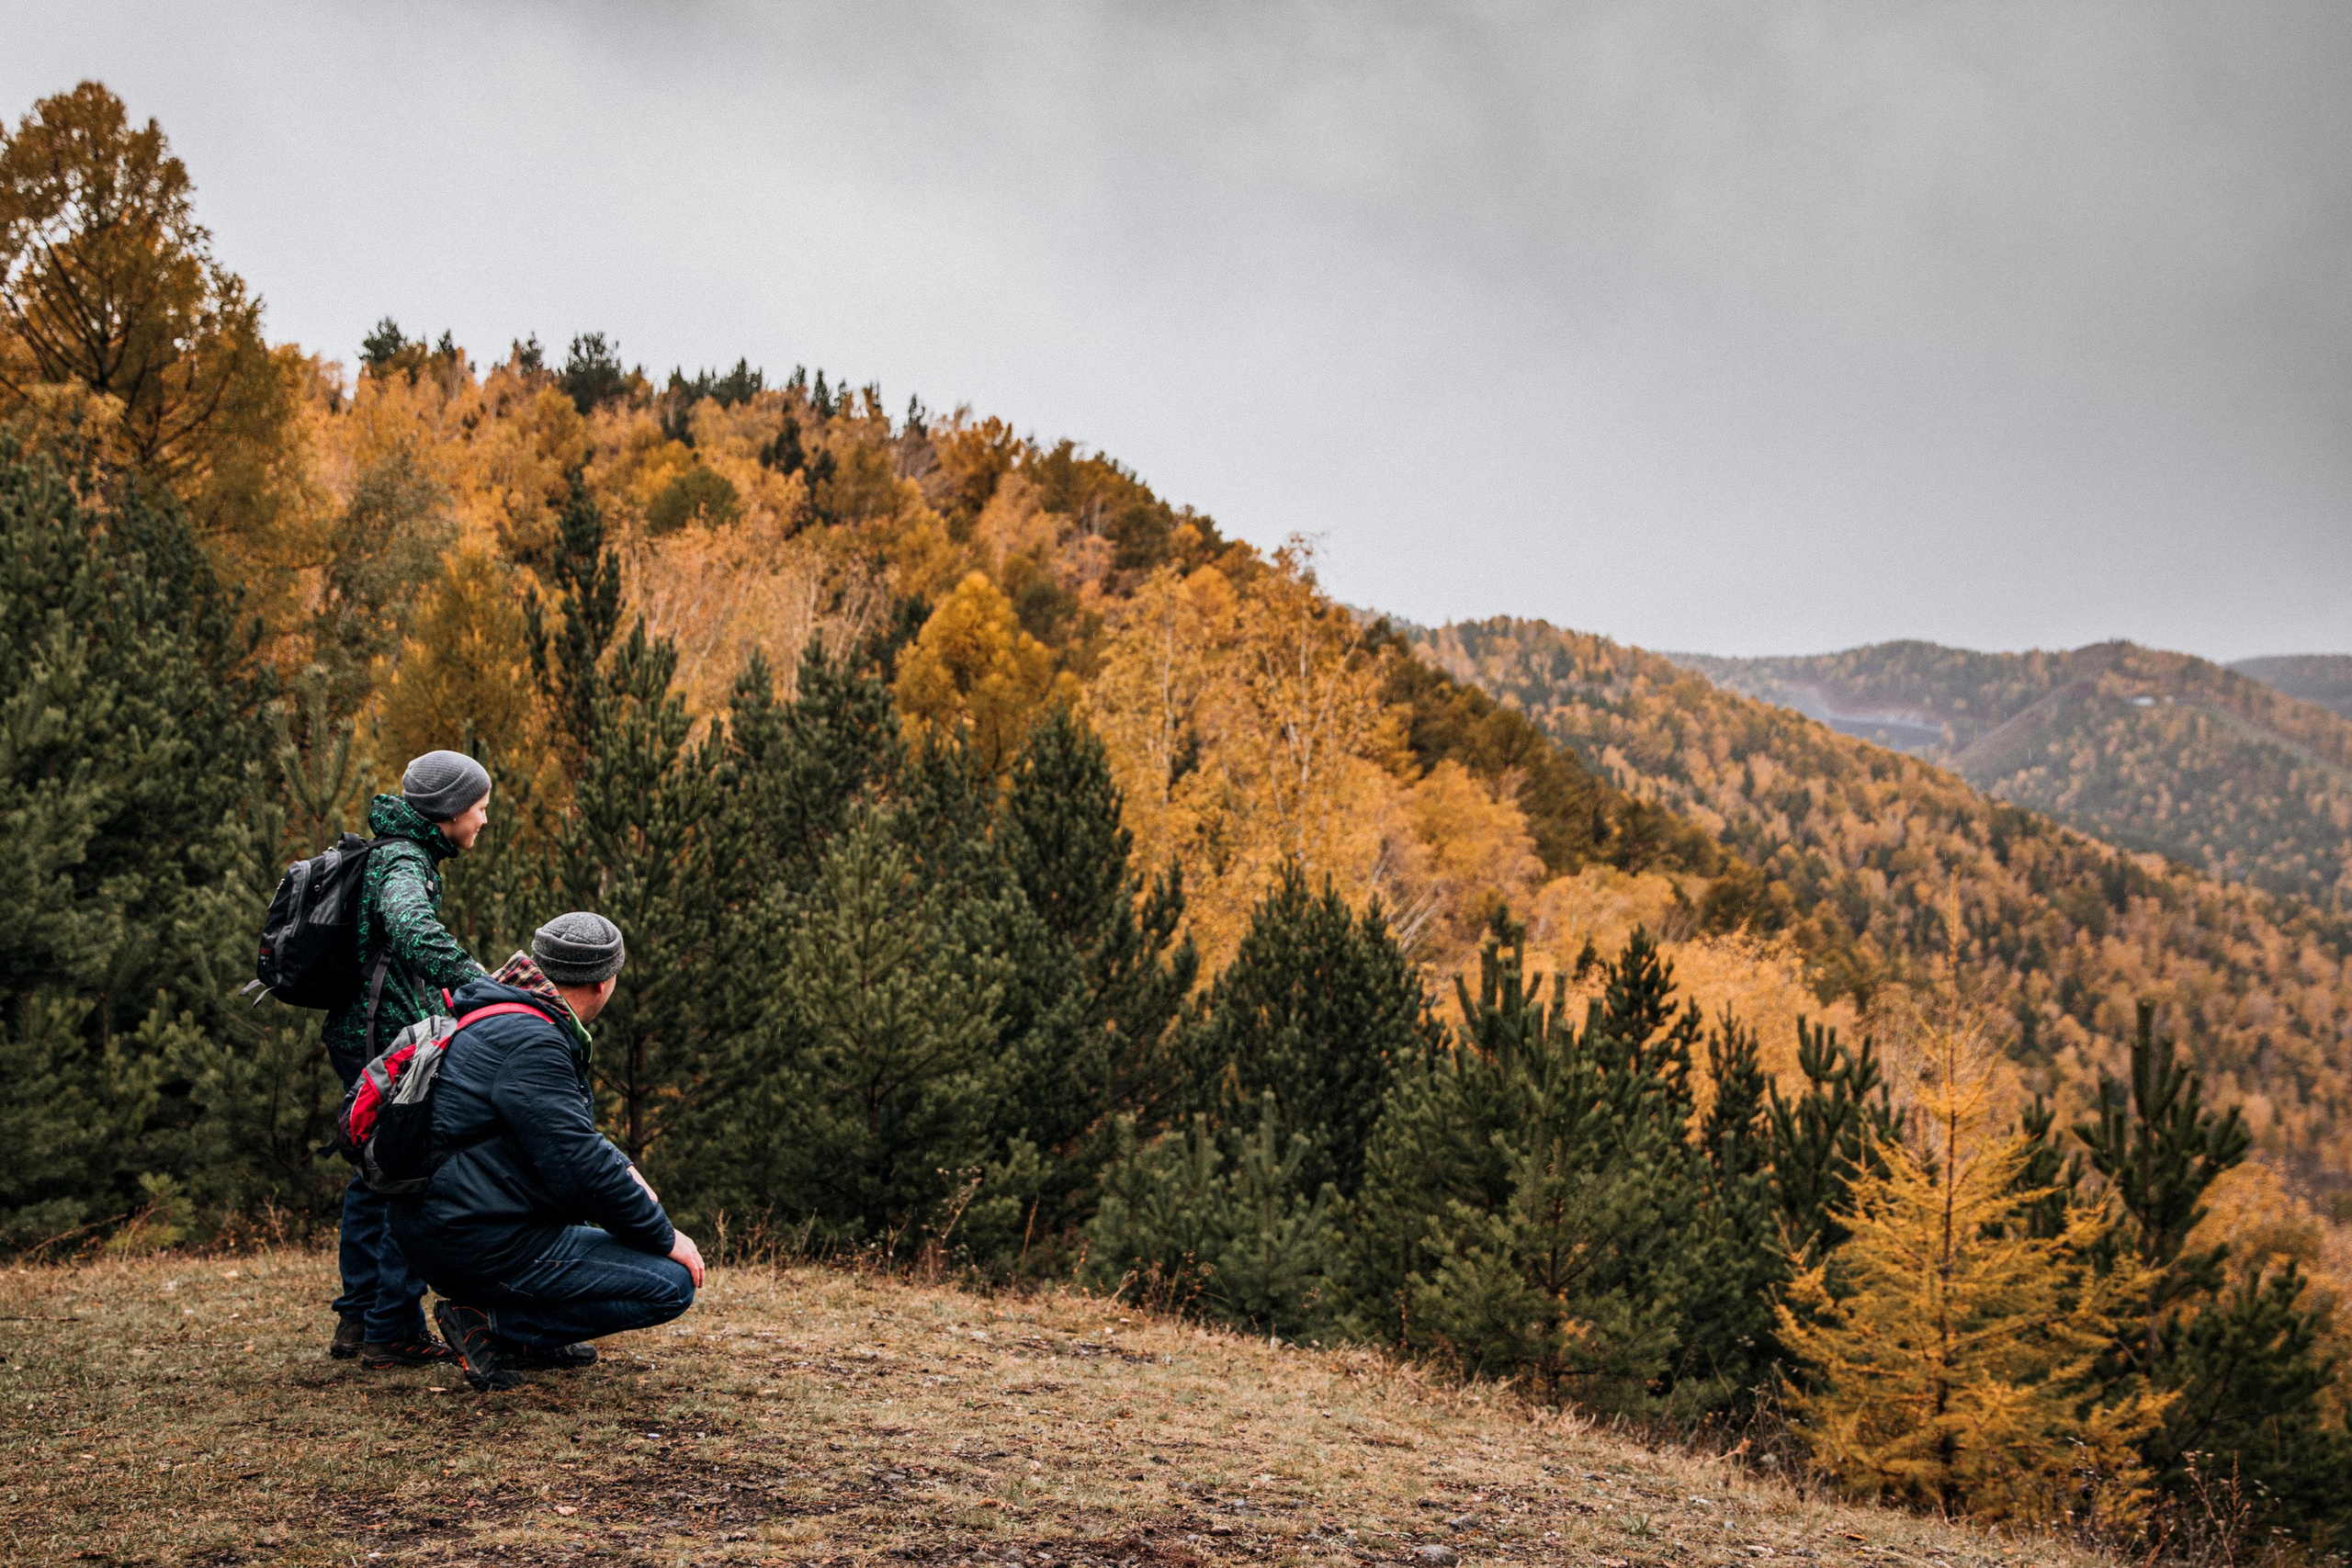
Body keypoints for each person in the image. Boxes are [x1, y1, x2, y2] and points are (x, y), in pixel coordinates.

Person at [390, 912, 704, 1392]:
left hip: (449, 1225)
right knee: (669, 1284)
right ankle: (488, 1323)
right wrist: (663, 1236)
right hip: (476, 1238)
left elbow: (555, 1136)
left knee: (608, 1241)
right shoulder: (532, 1041)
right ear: (602, 983)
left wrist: (622, 1165)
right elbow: (578, 1165)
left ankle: (528, 1339)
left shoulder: (502, 1014)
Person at [323, 750, 492, 1370]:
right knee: (404, 1175)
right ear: (450, 810)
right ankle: (391, 1326)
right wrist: (479, 982)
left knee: (372, 1175)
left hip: (364, 1035)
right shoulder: (403, 860)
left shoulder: (398, 849)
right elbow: (412, 928)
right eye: (479, 808)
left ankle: (358, 1318)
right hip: (385, 1042)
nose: (483, 820)